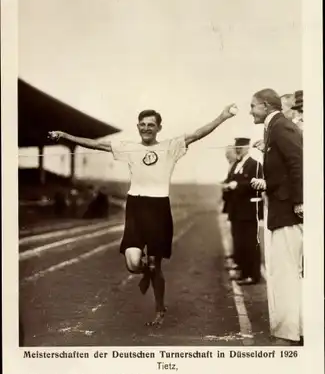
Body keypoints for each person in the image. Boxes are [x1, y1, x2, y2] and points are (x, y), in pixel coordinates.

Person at [48, 104, 237, 326]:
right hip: (136, 207)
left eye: (151, 125)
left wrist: (222, 116)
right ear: (138, 126)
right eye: (143, 125)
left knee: (157, 266)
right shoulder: (129, 148)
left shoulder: (171, 146)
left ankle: (160, 309)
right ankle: (147, 271)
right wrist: (65, 135)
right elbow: (97, 144)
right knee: (132, 263)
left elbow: (198, 133)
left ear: (159, 128)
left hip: (158, 208)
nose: (146, 128)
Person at [250, 88, 303, 345]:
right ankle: (293, 330)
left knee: (285, 272)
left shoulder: (281, 127)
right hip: (282, 208)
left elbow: (298, 162)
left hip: (287, 212)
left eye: (253, 106)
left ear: (266, 106)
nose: (251, 111)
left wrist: (300, 201)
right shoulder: (274, 129)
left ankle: (288, 334)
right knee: (287, 271)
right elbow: (283, 169)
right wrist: (266, 182)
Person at [222, 138, 263, 285]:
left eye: (241, 147)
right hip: (237, 211)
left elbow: (257, 184)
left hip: (249, 211)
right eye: (236, 147)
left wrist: (237, 185)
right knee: (240, 243)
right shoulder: (237, 165)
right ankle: (245, 273)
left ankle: (253, 275)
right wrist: (227, 187)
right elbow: (230, 182)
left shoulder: (254, 164)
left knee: (251, 244)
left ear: (247, 147)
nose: (238, 150)